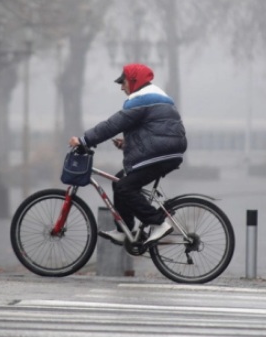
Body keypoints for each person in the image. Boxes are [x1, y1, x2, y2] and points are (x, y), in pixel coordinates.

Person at [68, 63, 187, 246]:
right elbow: (155, 131)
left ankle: (158, 223)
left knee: (125, 187)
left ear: (133, 80)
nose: (122, 87)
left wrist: (84, 141)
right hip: (168, 150)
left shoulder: (141, 99)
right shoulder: (157, 97)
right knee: (119, 182)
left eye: (122, 82)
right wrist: (128, 143)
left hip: (161, 153)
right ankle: (126, 230)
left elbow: (112, 125)